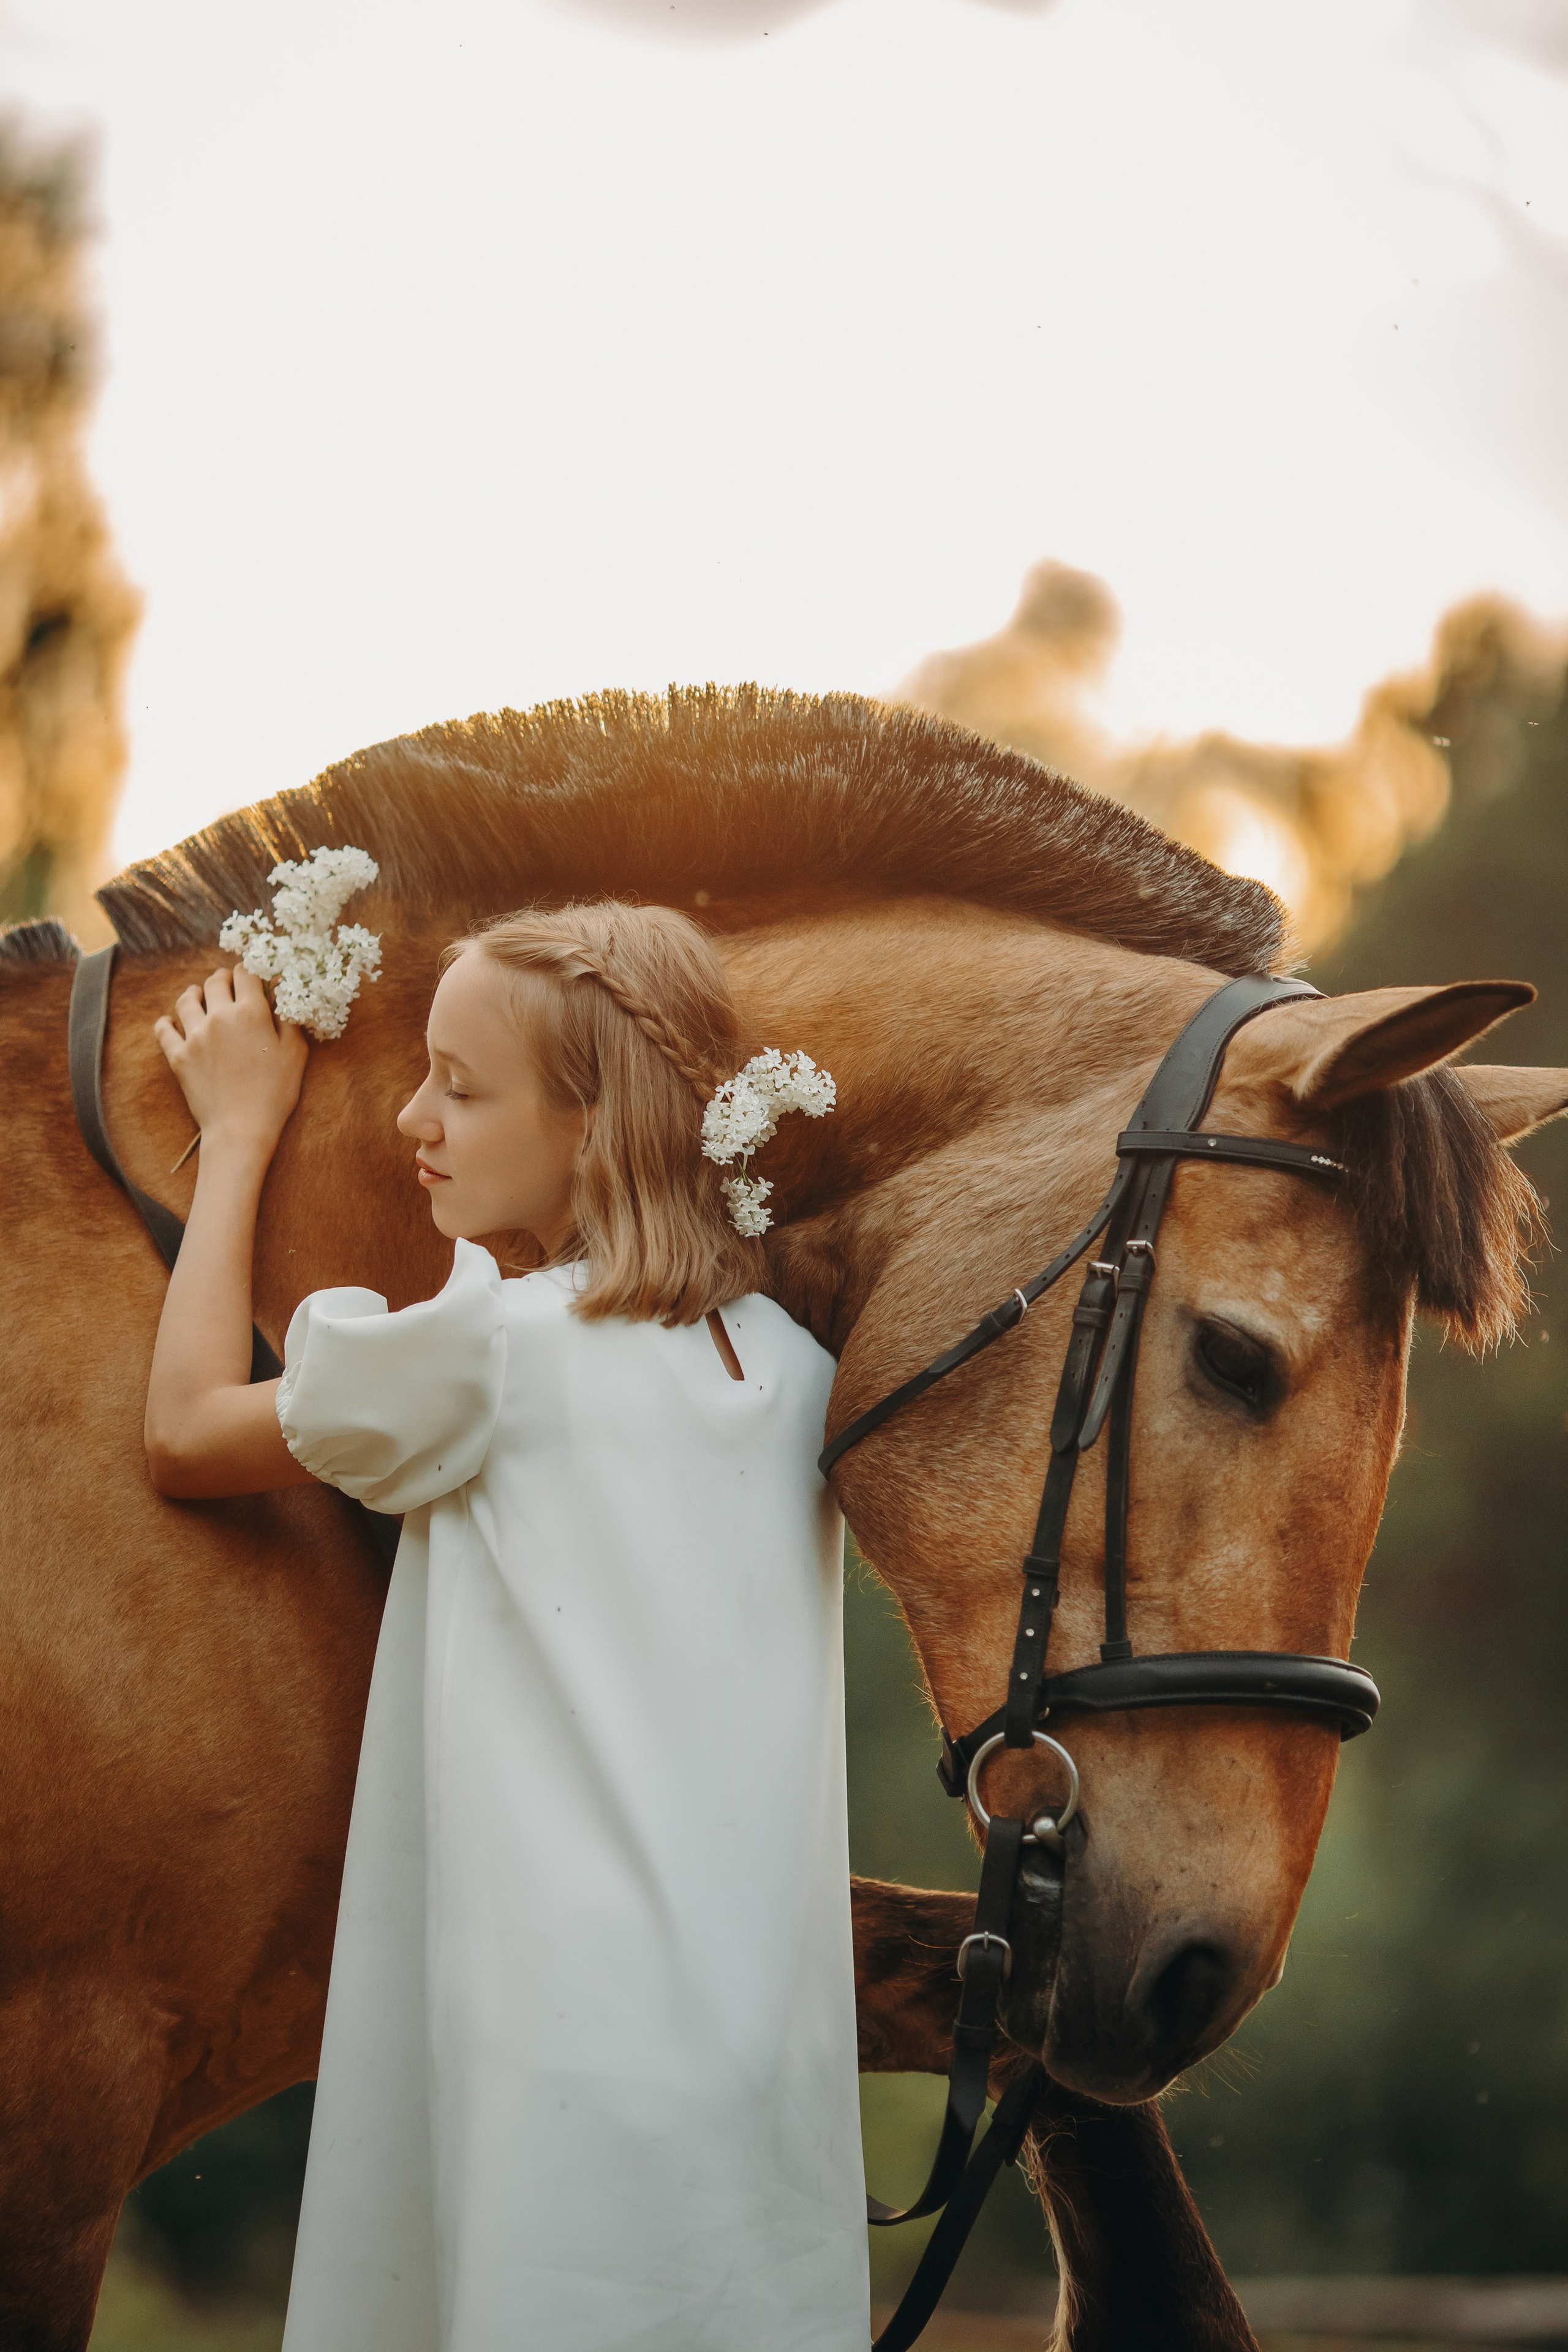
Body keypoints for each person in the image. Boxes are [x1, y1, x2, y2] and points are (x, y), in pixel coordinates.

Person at [143, 900, 869, 2352]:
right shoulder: (798, 1377)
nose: (417, 1116)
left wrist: (234, 1134)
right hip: (754, 2087)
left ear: (593, 1129)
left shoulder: (501, 1350)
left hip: (549, 2076)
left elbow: (180, 1434)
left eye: (461, 1089)